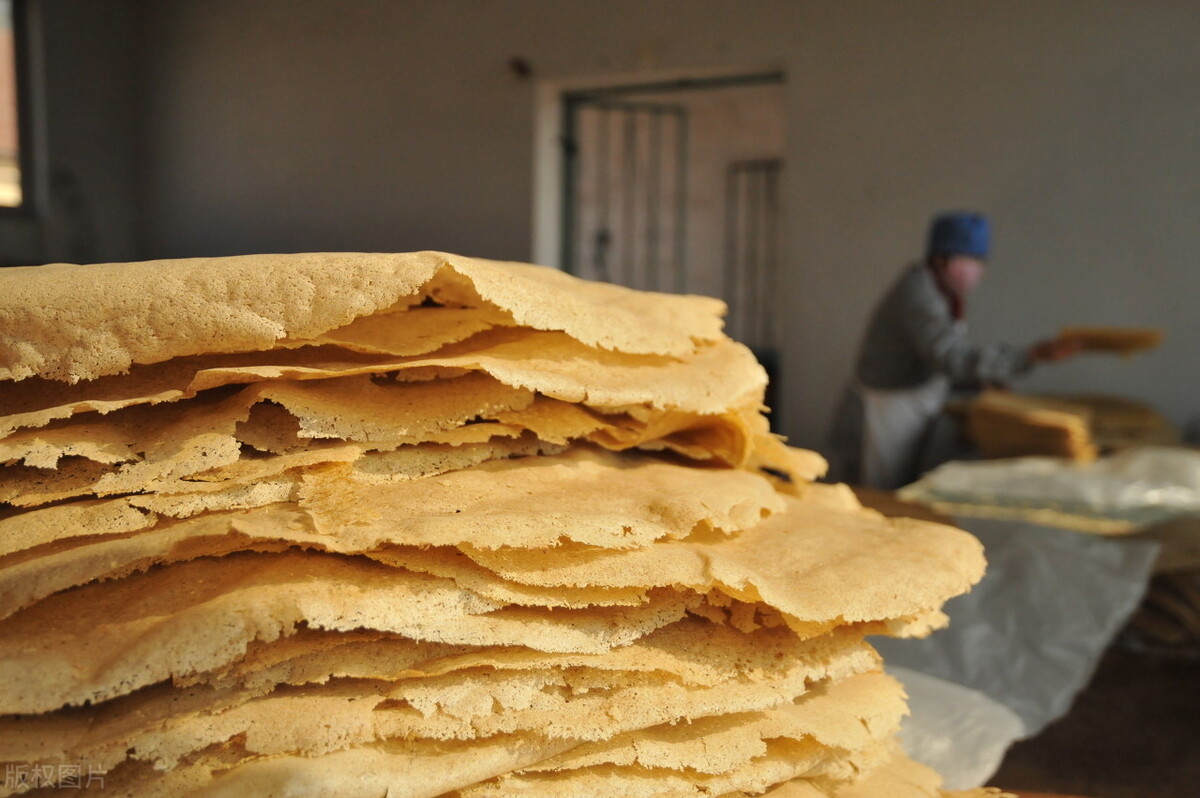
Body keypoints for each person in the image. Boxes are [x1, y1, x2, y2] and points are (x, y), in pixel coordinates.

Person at [826, 211, 1081, 489]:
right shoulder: (917, 295)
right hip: (890, 407)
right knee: (881, 492)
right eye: (968, 262)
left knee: (904, 487)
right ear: (941, 259)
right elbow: (949, 357)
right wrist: (1029, 356)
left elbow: (946, 359)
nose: (976, 271)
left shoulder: (945, 295)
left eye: (979, 262)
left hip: (916, 399)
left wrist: (980, 383)